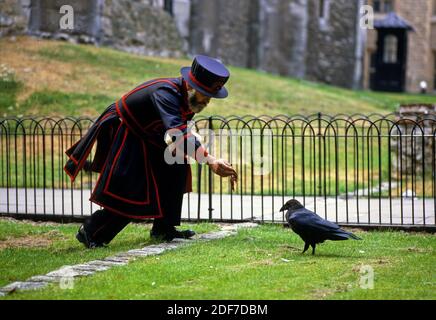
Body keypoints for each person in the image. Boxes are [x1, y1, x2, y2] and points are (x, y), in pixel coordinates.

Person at [64, 55, 237, 248]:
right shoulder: (166, 93)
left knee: (175, 169)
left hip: (152, 135)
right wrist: (210, 160)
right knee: (133, 189)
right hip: (129, 130)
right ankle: (91, 233)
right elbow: (177, 133)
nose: (208, 100)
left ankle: (163, 229)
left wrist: (200, 150)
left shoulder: (191, 99)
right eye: (205, 94)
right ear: (190, 86)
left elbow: (180, 129)